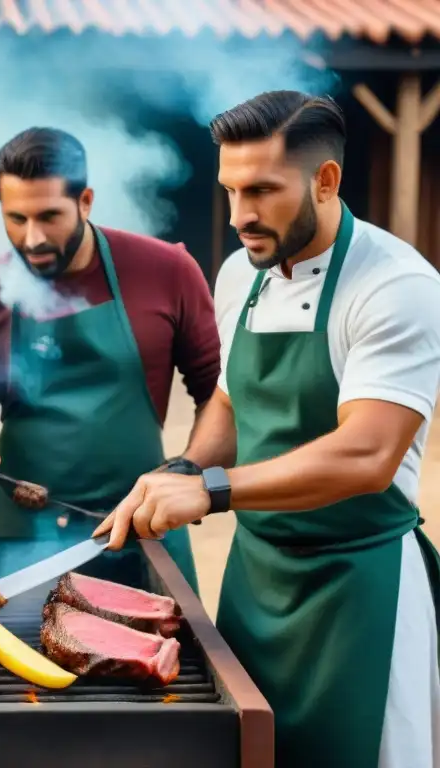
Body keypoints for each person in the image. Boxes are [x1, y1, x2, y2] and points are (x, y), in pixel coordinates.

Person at [94, 91, 440, 768]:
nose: (240, 215)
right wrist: (186, 467)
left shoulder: (397, 285)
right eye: (229, 190)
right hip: (258, 582)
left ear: (326, 180)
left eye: (261, 191)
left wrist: (215, 491)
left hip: (359, 589)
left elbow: (367, 454)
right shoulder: (238, 274)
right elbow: (230, 401)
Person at [0, 127, 220, 591]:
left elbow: (220, 395)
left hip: (146, 529)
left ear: (85, 201)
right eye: (16, 218)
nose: (33, 238)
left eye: (49, 216)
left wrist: (189, 471)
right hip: (26, 539)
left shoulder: (166, 272)